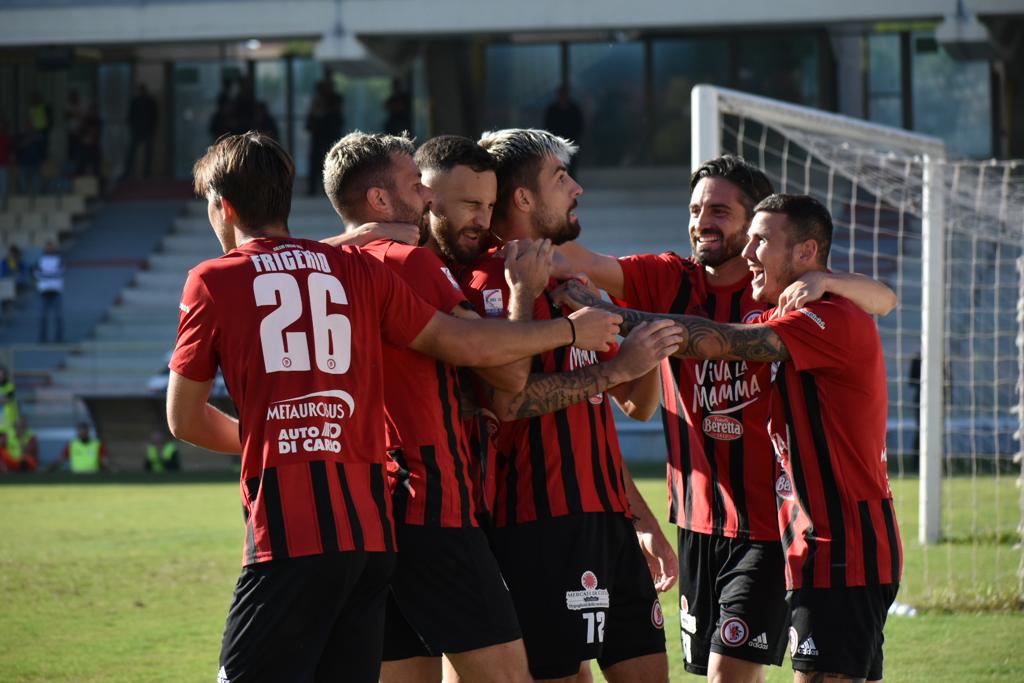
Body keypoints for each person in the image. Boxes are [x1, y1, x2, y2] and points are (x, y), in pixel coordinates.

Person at [165, 131, 622, 683]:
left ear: (224, 205)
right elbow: (477, 354)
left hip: (317, 524)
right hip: (389, 524)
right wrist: (567, 331)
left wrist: (289, 438)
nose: (428, 198)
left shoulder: (231, 275)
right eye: (417, 186)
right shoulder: (366, 270)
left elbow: (185, 419)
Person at [556, 155, 897, 682]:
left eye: (722, 211)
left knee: (735, 675)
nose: (703, 222)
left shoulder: (818, 316)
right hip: (730, 526)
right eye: (695, 209)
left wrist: (603, 312)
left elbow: (728, 340)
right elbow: (643, 399)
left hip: (823, 535)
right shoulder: (760, 306)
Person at [455, 128, 678, 683]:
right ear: (524, 199)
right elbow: (511, 403)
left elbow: (635, 405)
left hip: (608, 522)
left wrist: (641, 521)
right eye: (560, 176)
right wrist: (618, 366)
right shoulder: (485, 285)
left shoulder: (576, 283)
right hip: (538, 524)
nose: (576, 188)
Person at [306, 78, 344, 195]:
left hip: (330, 133)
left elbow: (337, 116)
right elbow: (312, 116)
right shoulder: (317, 101)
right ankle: (314, 188)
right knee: (316, 160)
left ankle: (331, 186)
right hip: (319, 134)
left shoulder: (335, 99)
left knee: (332, 160)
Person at [544, 86, 584, 177]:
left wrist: (574, 138)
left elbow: (579, 125)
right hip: (556, 143)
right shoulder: (552, 110)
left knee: (572, 166)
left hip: (571, 142)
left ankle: (570, 185)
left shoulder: (574, 109)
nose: (563, 96)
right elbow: (548, 126)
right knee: (557, 165)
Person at [123, 84, 159, 179]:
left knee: (144, 153)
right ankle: (132, 172)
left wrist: (152, 128)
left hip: (144, 130)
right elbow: (131, 116)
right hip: (139, 130)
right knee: (135, 152)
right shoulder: (137, 102)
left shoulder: (147, 102)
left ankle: (144, 173)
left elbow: (154, 117)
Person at [35, 241, 64, 343]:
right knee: (42, 316)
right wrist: (50, 274)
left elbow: (60, 272)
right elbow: (37, 274)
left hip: (56, 290)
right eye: (48, 247)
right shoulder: (40, 260)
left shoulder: (59, 259)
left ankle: (58, 338)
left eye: (51, 247)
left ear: (54, 248)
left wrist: (46, 275)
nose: (49, 249)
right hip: (44, 290)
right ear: (45, 249)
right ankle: (42, 338)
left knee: (58, 316)